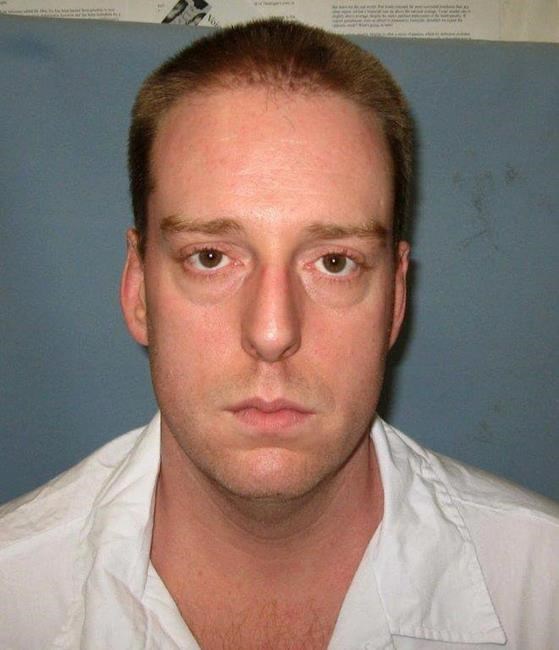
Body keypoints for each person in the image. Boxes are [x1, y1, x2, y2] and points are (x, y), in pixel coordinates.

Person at [0, 18, 557, 650]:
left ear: (396, 299)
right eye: (210, 257)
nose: (271, 333)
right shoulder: (16, 598)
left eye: (335, 262)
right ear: (138, 290)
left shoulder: (540, 593)